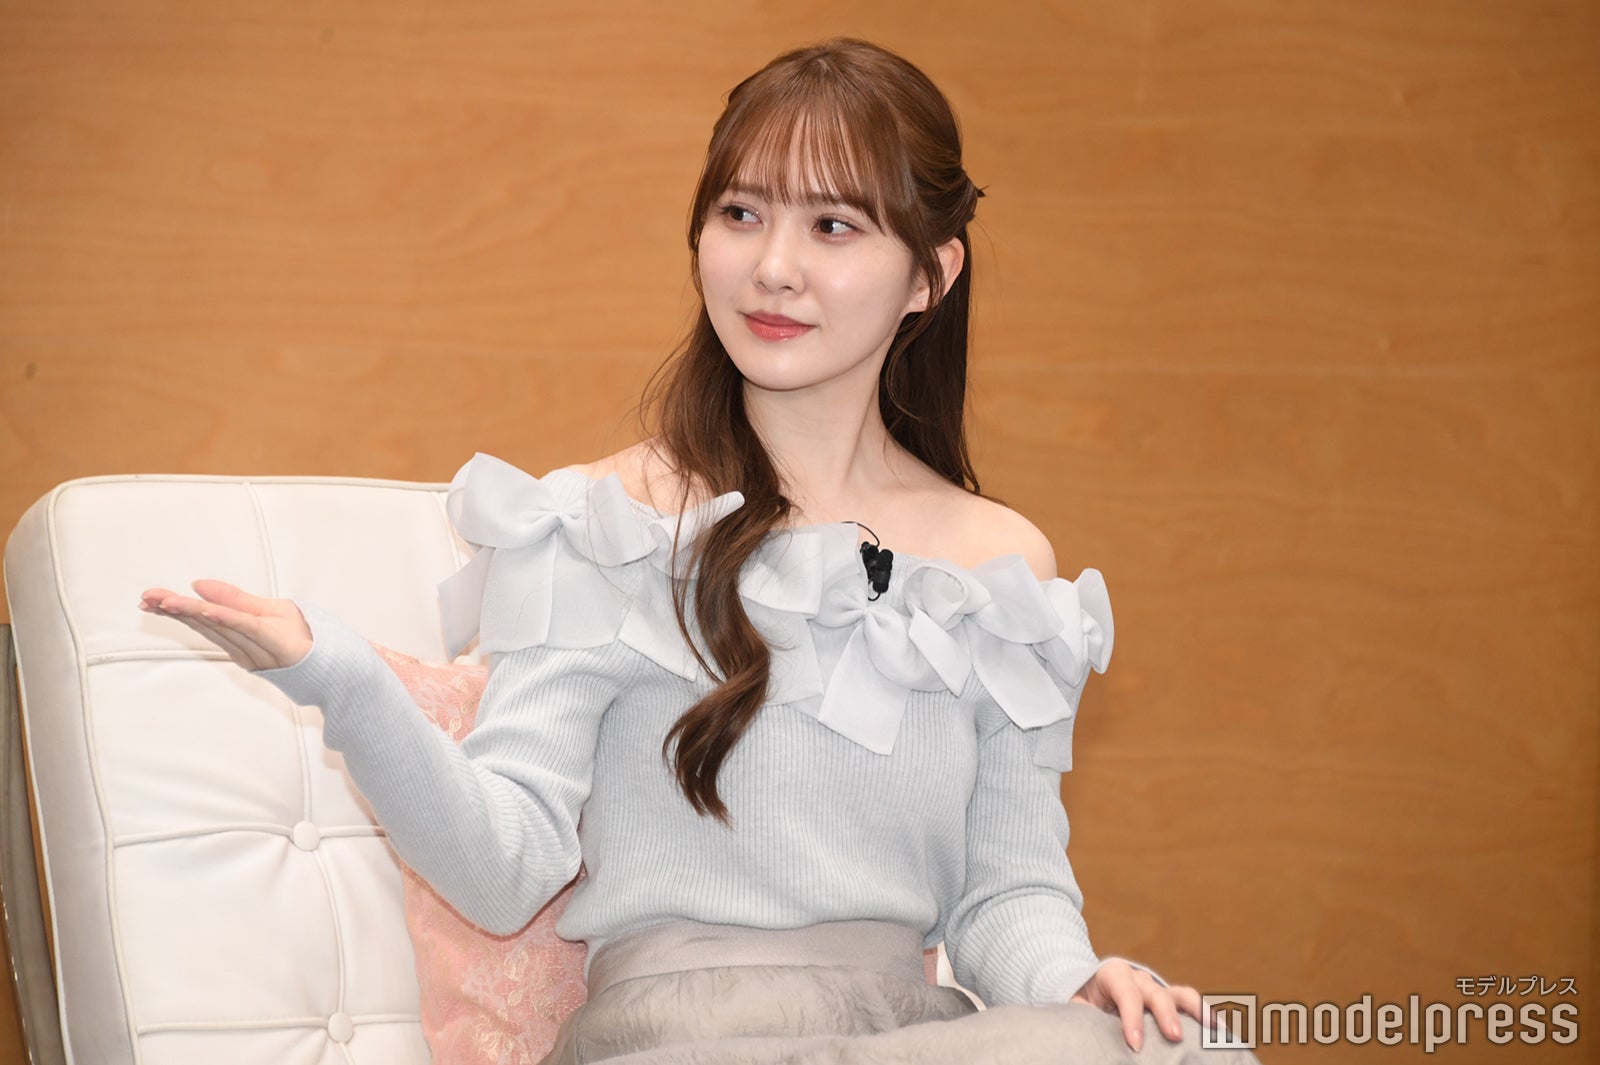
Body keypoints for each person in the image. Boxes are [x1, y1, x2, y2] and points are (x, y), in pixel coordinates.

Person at [142, 38, 1257, 1064]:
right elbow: (503, 865)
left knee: (1181, 1049)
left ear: (931, 273)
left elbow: (1009, 893)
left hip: (913, 1037)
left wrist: (1081, 984)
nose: (773, 267)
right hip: (672, 1039)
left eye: (833, 226)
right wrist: (333, 674)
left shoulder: (1001, 565)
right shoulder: (600, 521)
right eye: (740, 213)